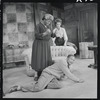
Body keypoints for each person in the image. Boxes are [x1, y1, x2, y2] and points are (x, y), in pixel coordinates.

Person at [5, 55, 84, 94]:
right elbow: (69, 74)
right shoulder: (63, 62)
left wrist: (61, 76)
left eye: (73, 60)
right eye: (71, 59)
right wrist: (78, 80)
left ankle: (43, 84)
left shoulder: (67, 65)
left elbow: (65, 75)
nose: (72, 61)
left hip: (53, 76)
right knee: (38, 88)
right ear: (67, 58)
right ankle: (19, 87)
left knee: (59, 85)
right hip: (47, 73)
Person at [31, 14, 54, 81]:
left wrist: (53, 34)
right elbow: (36, 35)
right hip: (39, 44)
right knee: (39, 59)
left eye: (50, 21)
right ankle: (36, 74)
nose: (49, 22)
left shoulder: (48, 26)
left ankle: (44, 73)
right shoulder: (38, 25)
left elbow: (50, 35)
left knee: (45, 59)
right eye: (48, 21)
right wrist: (45, 33)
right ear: (44, 19)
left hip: (46, 44)